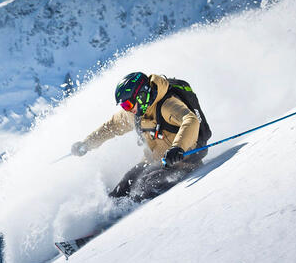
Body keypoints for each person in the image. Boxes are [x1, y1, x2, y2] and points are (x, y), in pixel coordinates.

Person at [71, 72, 211, 201]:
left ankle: (143, 216)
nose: (128, 108)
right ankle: (113, 214)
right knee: (125, 185)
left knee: (146, 185)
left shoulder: (166, 105)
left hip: (181, 160)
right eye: (124, 106)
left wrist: (178, 148)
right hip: (154, 160)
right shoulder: (134, 114)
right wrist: (86, 144)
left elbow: (190, 120)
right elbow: (111, 126)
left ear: (142, 96)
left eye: (128, 104)